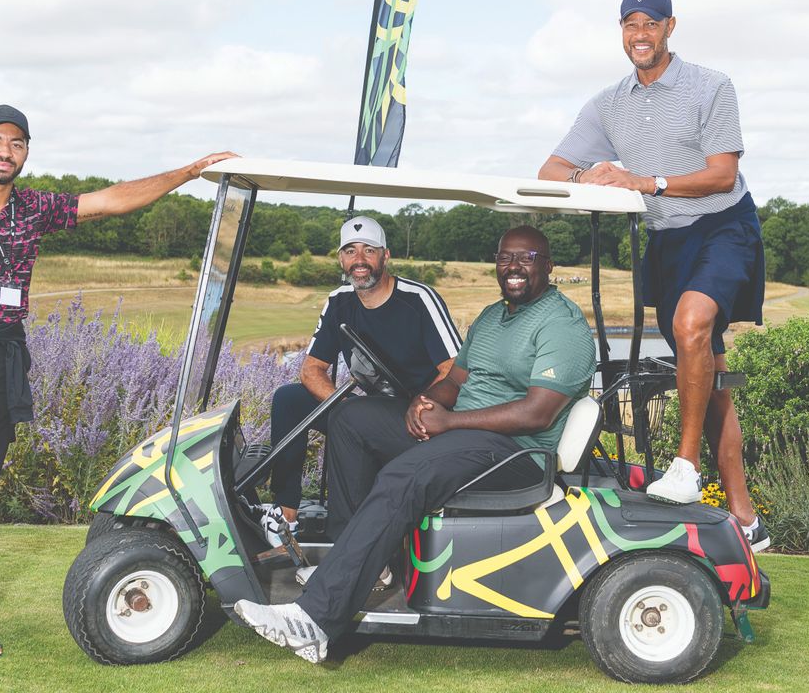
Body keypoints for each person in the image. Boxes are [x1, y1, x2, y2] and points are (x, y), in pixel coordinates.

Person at [0, 104, 235, 687]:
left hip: (2, 355)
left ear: (26, 151)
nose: (6, 152)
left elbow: (111, 199)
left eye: (17, 143)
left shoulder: (33, 208)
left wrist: (188, 172)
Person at [234, 226, 596, 663]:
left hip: (515, 450)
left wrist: (449, 422)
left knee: (404, 475)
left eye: (527, 257)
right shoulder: (493, 317)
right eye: (505, 258)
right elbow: (455, 379)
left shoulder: (563, 325)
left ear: (548, 265)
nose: (513, 268)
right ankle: (362, 567)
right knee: (352, 417)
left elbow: (537, 413)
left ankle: (315, 622)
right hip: (467, 433)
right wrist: (425, 404)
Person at [537, 0, 769, 552]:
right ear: (621, 32)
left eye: (650, 23)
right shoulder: (607, 103)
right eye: (629, 24)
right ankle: (744, 513)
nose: (639, 34)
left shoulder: (712, 85)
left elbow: (720, 173)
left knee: (691, 325)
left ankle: (685, 466)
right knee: (708, 380)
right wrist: (584, 178)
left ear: (670, 28)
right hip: (666, 242)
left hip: (723, 226)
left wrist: (642, 181)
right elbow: (550, 169)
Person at [252, 215, 460, 546]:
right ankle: (286, 514)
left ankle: (349, 542)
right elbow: (312, 369)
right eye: (350, 251)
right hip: (371, 408)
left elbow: (453, 367)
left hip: (420, 415)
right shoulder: (339, 301)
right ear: (341, 259)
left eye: (369, 250)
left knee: (354, 418)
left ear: (385, 256)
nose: (359, 260)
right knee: (289, 400)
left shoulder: (419, 299)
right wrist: (344, 406)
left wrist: (422, 407)